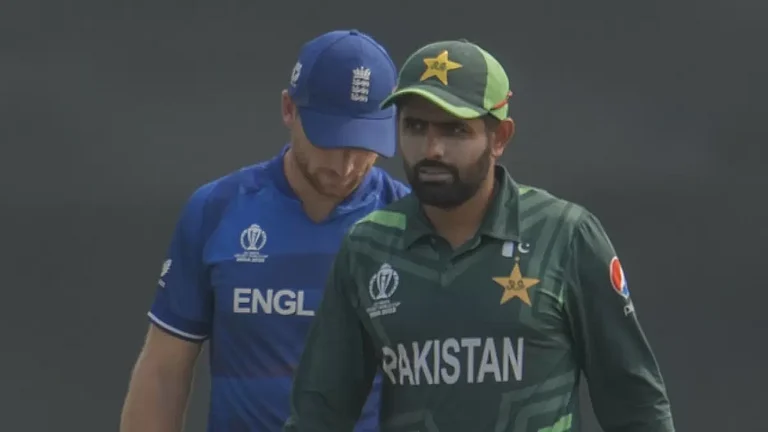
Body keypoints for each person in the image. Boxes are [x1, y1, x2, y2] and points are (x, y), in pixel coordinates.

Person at [284, 39, 676, 432]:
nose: (431, 149)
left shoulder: (564, 234)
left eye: (455, 129)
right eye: (415, 127)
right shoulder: (367, 246)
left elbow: (634, 403)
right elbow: (320, 412)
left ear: (500, 137)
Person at [119, 29, 410, 432]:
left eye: (363, 145)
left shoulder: (412, 224)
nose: (345, 166)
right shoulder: (216, 210)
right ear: (289, 109)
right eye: (328, 139)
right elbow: (164, 369)